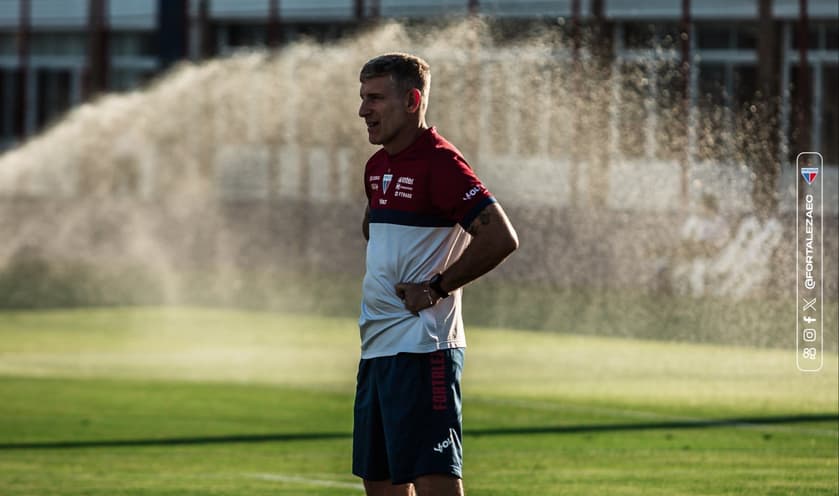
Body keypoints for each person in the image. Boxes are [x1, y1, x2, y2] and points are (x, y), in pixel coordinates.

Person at [354, 53, 519, 496]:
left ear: (412, 101)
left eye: (375, 98)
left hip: (423, 349)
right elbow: (379, 224)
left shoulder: (441, 162)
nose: (363, 110)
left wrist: (436, 287)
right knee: (381, 483)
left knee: (434, 481)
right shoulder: (377, 166)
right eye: (362, 98)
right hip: (377, 348)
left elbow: (500, 237)